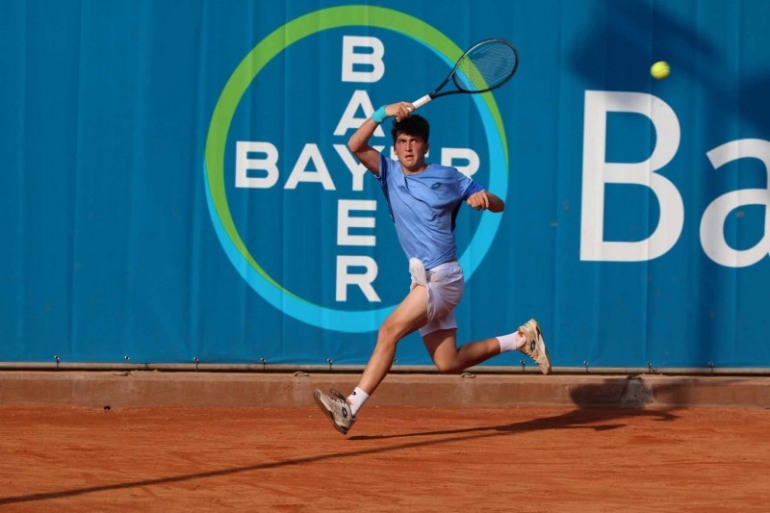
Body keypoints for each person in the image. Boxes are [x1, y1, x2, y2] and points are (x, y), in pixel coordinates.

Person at [313, 101, 550, 435]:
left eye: (414, 141)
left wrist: (484, 199)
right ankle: (521, 338)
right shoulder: (388, 173)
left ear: (426, 145)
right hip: (421, 281)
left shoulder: (449, 176)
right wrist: (382, 112)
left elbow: (498, 204)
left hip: (443, 278)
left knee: (388, 331)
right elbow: (355, 145)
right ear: (394, 148)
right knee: (447, 363)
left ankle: (350, 407)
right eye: (401, 142)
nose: (408, 147)